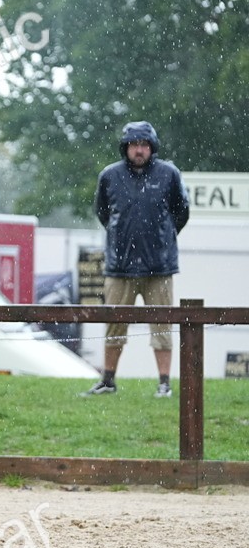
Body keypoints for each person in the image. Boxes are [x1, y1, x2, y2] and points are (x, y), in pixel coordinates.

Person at [84, 121, 189, 398]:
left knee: (162, 326)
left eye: (144, 145)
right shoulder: (110, 176)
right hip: (120, 268)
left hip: (159, 267)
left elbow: (181, 212)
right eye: (134, 145)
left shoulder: (169, 174)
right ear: (126, 148)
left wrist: (162, 239)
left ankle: (164, 383)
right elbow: (103, 213)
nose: (139, 150)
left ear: (152, 147)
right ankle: (108, 380)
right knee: (114, 325)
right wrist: (122, 238)